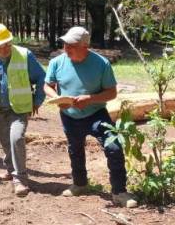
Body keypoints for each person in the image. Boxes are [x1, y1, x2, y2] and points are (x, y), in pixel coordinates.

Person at [44, 26, 137, 208]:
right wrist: (56, 98)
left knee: (114, 148)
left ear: (85, 46)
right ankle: (80, 184)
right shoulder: (57, 62)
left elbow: (111, 93)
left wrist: (91, 99)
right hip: (69, 115)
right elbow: (47, 85)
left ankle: (119, 192)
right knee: (75, 150)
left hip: (96, 114)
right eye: (65, 44)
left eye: (71, 45)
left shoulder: (101, 64)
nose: (66, 48)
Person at [0, 23, 46, 196]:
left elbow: (41, 78)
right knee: (5, 141)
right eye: (3, 45)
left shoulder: (24, 55)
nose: (7, 47)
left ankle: (20, 179)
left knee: (16, 139)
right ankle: (10, 169)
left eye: (9, 43)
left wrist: (37, 100)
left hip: (20, 108)